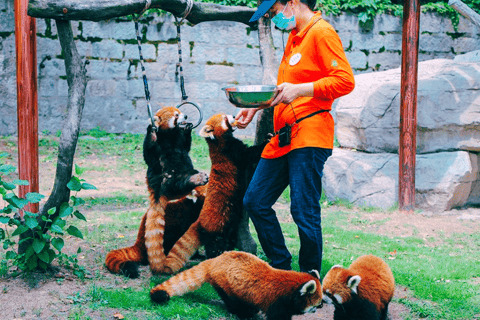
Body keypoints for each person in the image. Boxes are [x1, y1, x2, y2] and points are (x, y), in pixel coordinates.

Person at [235, 0, 355, 273]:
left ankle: (308, 277)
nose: (274, 18)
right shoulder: (293, 38)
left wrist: (301, 90)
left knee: (303, 210)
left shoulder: (321, 32)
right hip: (283, 137)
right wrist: (254, 109)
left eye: (275, 12)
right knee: (255, 200)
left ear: (291, 3)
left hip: (310, 134)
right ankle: (281, 267)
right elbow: (283, 90)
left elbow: (345, 80)